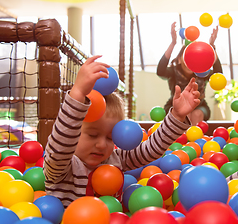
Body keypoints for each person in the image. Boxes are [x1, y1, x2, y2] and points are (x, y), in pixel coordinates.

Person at [43, 55, 201, 208]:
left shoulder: (115, 159)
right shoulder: (61, 166)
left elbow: (150, 150)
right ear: (74, 130)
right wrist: (77, 93)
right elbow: (61, 145)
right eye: (92, 135)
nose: (101, 145)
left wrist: (177, 116)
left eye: (111, 138)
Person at [157, 22, 223, 126]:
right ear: (180, 58)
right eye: (188, 57)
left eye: (195, 58)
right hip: (175, 106)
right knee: (185, 115)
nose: (192, 61)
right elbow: (160, 71)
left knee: (196, 114)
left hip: (200, 107)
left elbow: (218, 75)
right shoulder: (174, 71)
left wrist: (211, 47)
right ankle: (182, 141)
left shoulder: (202, 71)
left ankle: (194, 142)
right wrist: (173, 43)